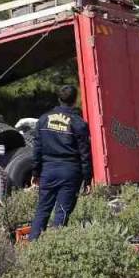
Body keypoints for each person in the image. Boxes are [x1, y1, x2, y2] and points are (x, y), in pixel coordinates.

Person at [28, 83, 92, 240]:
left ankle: (33, 246)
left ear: (59, 99)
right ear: (75, 100)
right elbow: (85, 154)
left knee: (42, 209)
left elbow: (37, 150)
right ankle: (55, 247)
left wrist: (36, 172)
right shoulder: (78, 123)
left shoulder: (43, 120)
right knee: (62, 212)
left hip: (48, 171)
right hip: (70, 172)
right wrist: (88, 179)